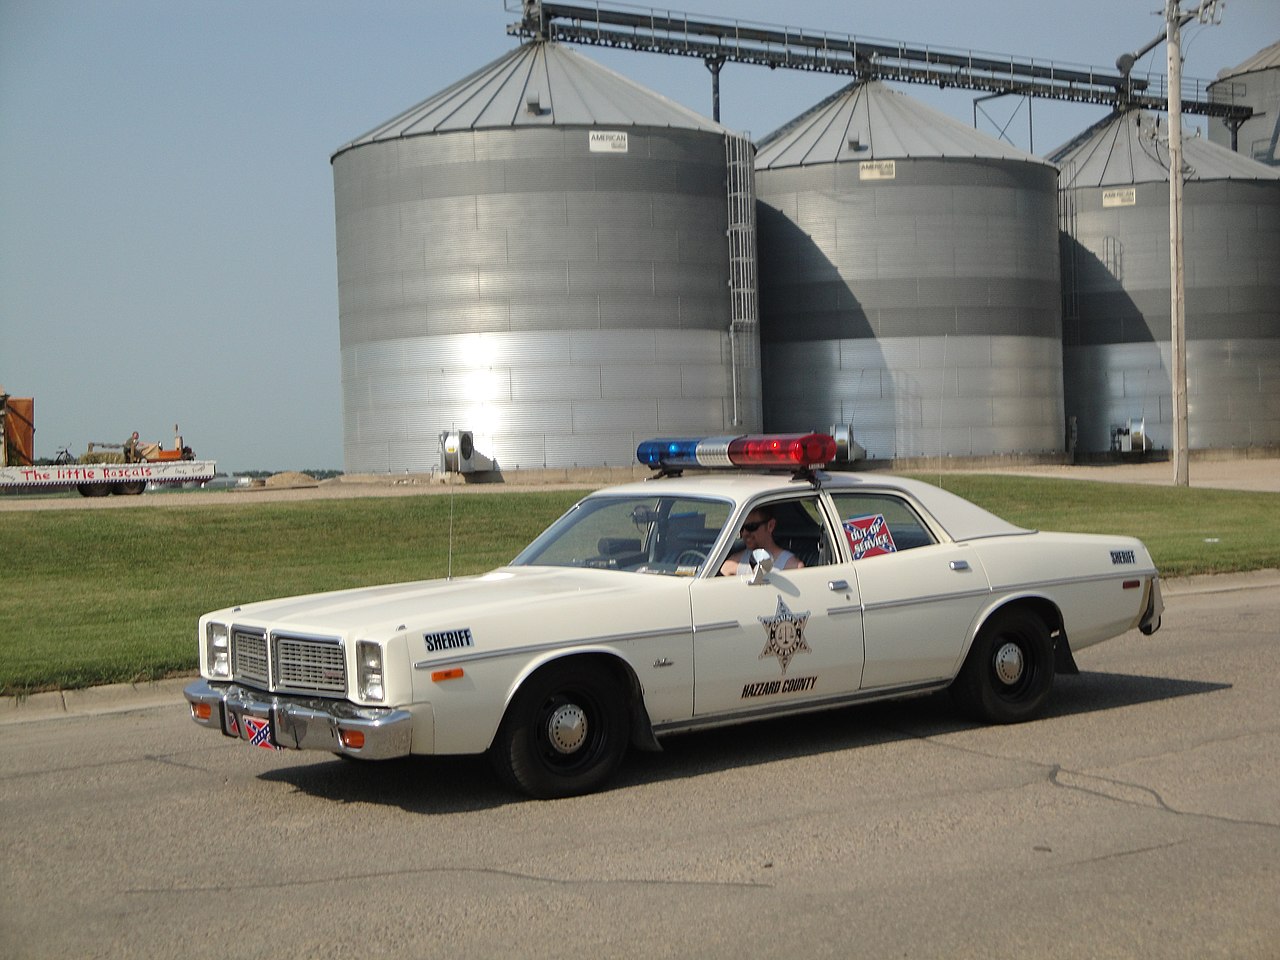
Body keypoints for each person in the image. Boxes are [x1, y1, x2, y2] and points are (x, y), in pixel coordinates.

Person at [720, 505, 805, 576]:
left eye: (751, 527)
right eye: (741, 528)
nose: (744, 533)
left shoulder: (792, 567)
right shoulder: (734, 563)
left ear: (770, 526)